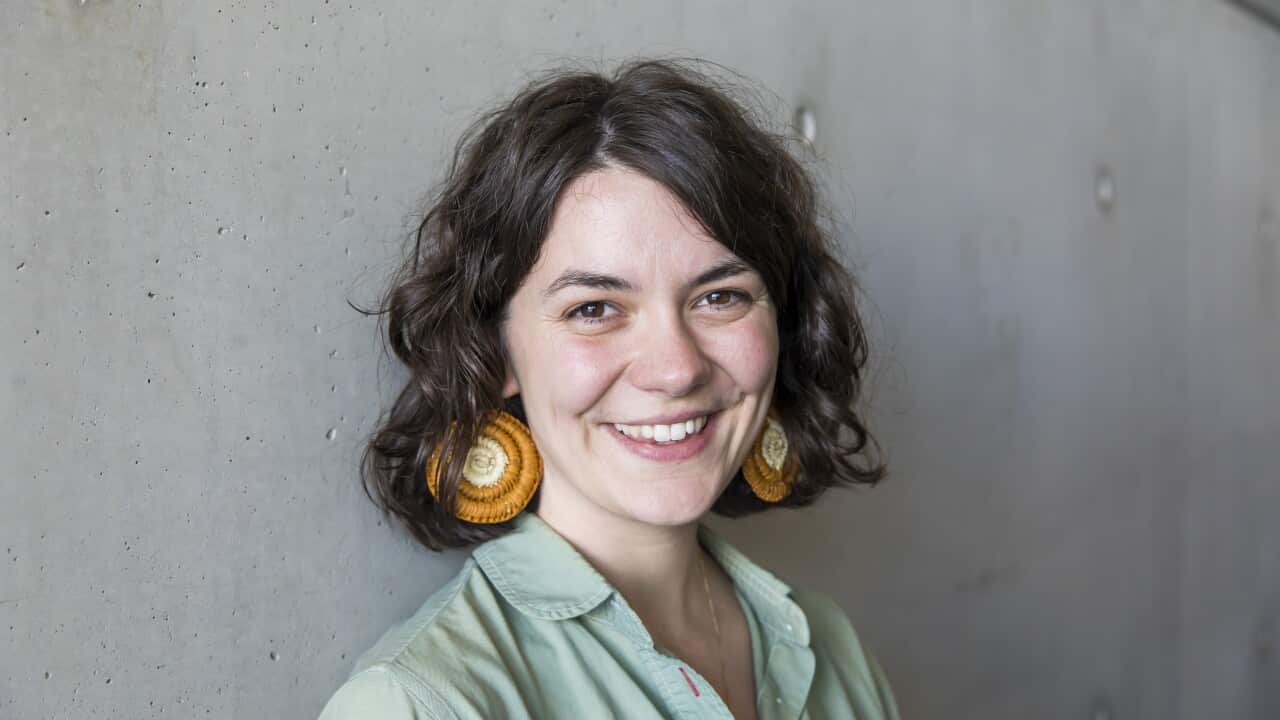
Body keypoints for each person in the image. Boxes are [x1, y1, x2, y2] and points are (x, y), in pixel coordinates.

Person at [319, 57, 898, 720]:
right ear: (495, 351)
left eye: (720, 296)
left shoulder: (831, 647)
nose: (676, 369)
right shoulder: (417, 704)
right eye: (593, 309)